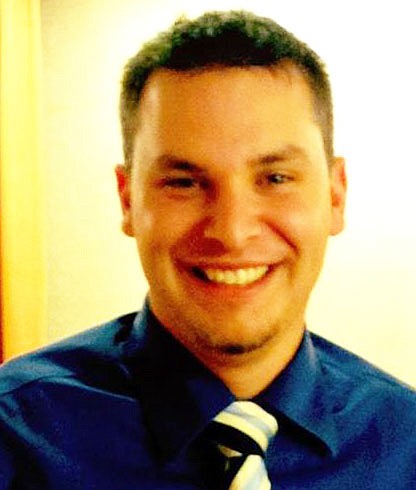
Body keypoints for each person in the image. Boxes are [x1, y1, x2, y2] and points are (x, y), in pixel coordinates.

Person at [0, 10, 415, 489]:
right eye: (184, 182)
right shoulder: (15, 437)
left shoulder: (407, 446)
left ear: (335, 196)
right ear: (128, 200)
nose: (232, 231)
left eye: (275, 178)